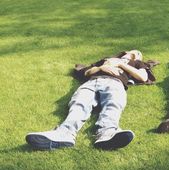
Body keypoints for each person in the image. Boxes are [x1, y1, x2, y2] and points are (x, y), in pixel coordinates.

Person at [26, 50, 156, 150]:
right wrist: (100, 68)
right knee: (79, 103)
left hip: (115, 83)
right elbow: (87, 72)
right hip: (92, 82)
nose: (135, 53)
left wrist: (122, 64)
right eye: (133, 51)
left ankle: (107, 133)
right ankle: (64, 133)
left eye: (138, 54)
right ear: (125, 52)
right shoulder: (107, 59)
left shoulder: (138, 63)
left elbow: (143, 77)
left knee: (113, 104)